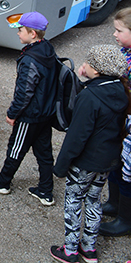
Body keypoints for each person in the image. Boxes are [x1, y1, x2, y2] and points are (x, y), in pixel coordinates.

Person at [49, 45, 129, 263]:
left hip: (85, 161)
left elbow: (77, 136)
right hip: (106, 160)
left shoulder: (90, 96)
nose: (85, 66)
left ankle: (70, 250)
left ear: (97, 69)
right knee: (94, 200)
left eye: (89, 63)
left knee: (74, 200)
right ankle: (89, 248)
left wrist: (62, 165)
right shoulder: (121, 91)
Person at [0, 12, 58, 201]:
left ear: (33, 34)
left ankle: (2, 181)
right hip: (46, 113)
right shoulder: (47, 49)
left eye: (21, 30)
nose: (18, 33)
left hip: (30, 116)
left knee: (16, 148)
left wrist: (12, 114)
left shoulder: (30, 60)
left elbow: (24, 92)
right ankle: (46, 190)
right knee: (44, 152)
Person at [101, 7, 131, 236]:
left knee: (128, 168)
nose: (114, 34)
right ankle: (113, 202)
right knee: (116, 162)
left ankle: (125, 219)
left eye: (119, 30)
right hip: (121, 120)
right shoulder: (125, 51)